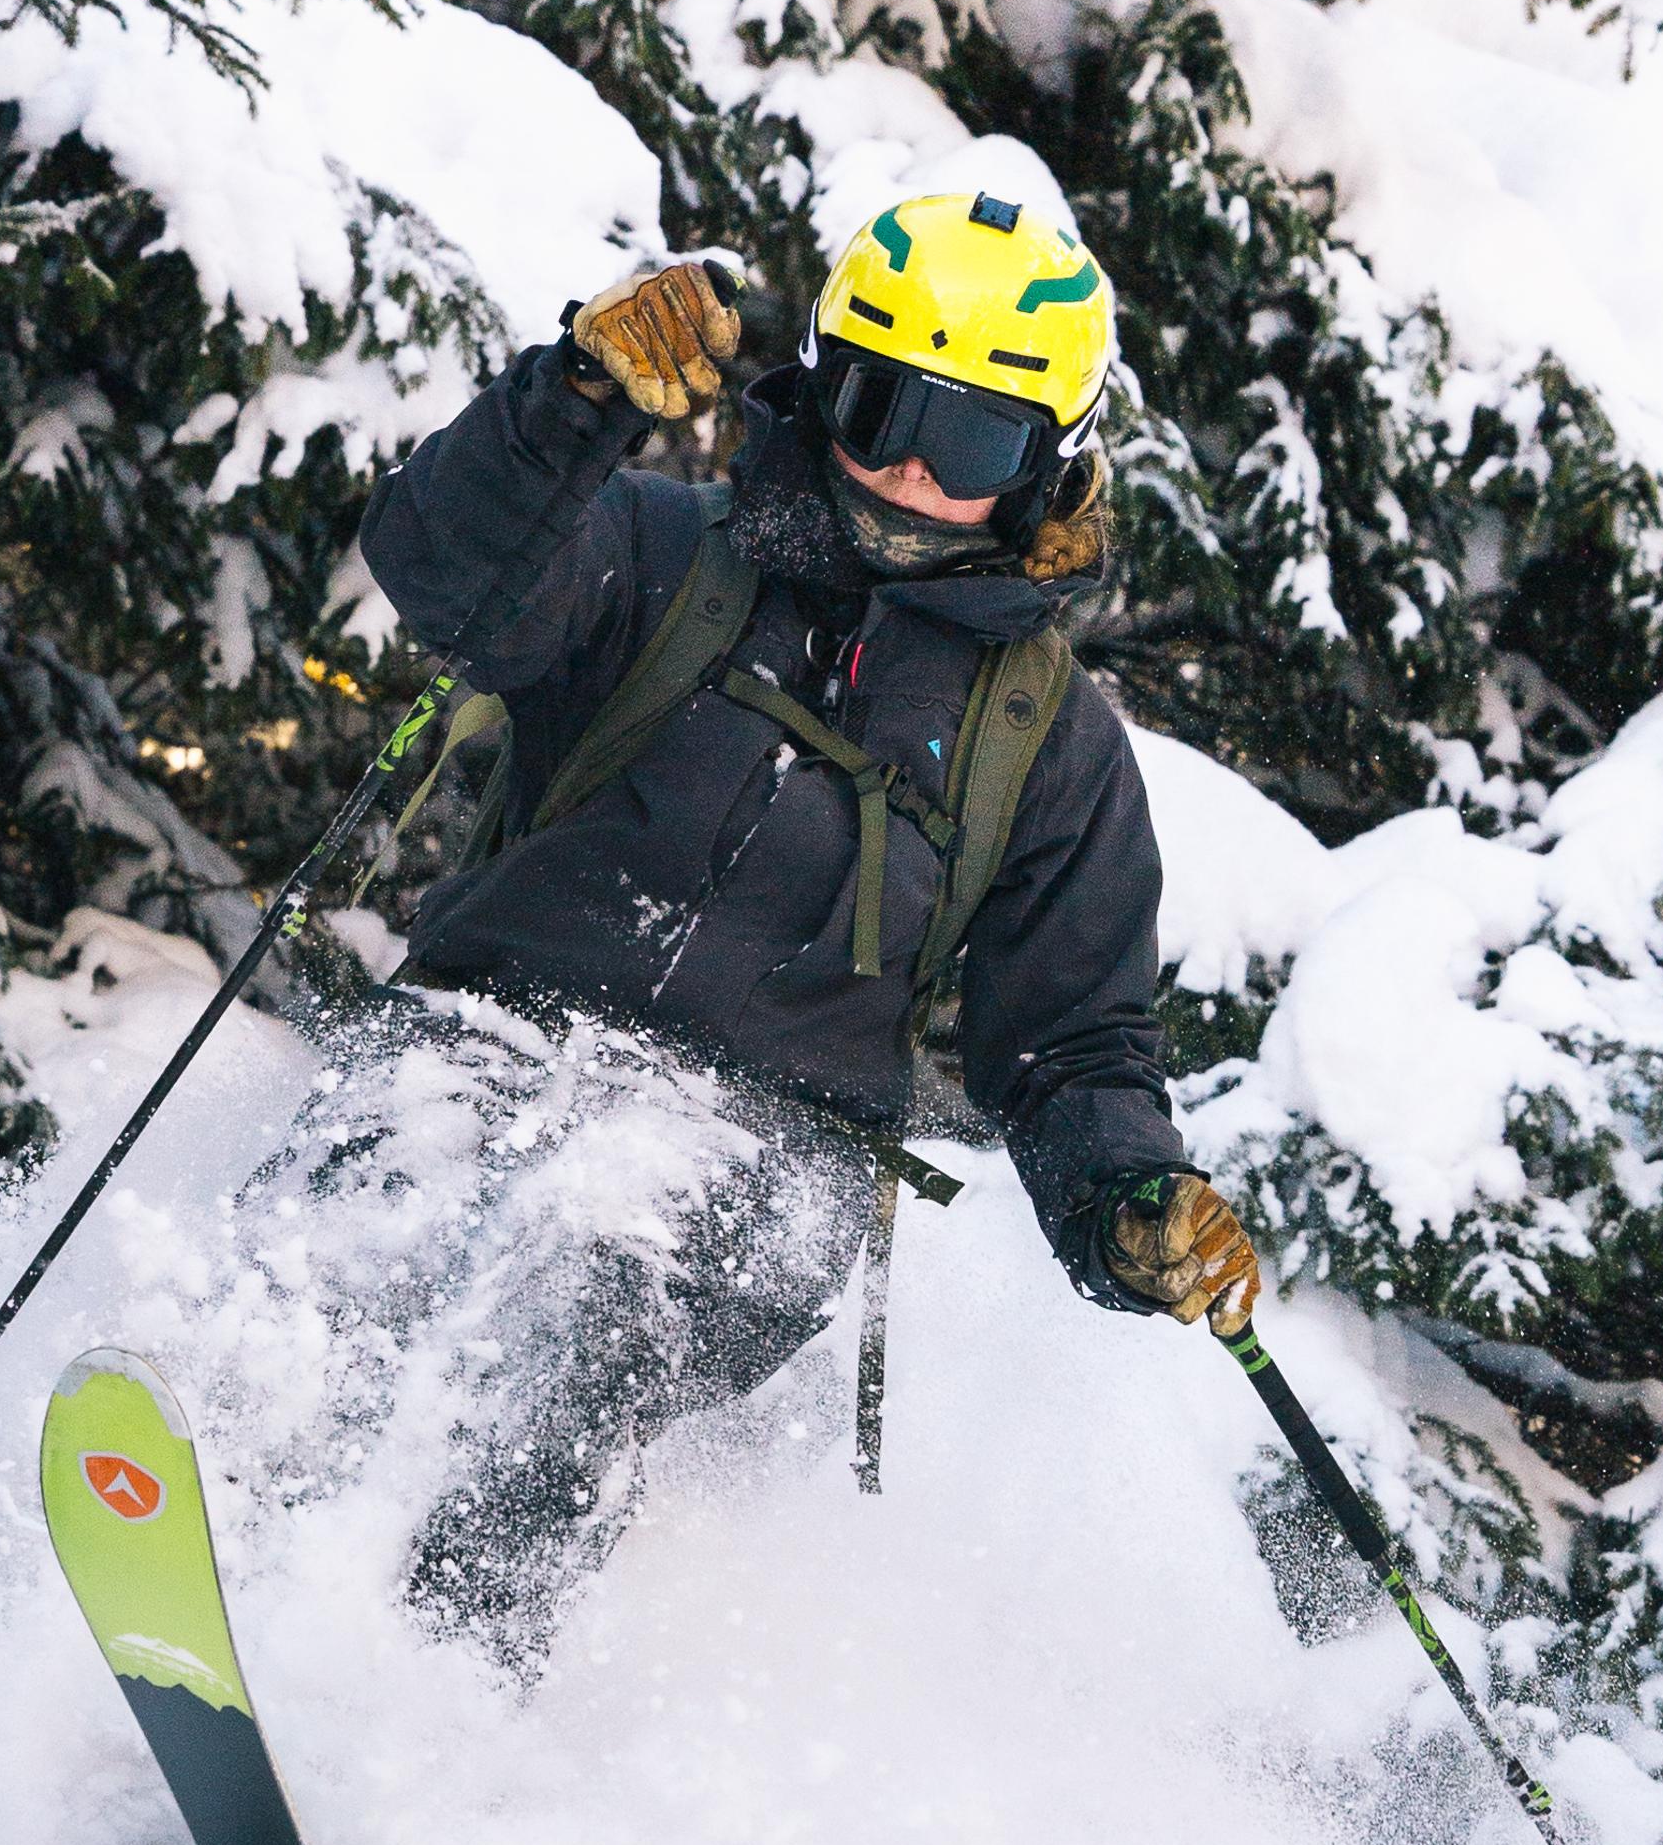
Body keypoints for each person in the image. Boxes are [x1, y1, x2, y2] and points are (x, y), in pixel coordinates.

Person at [350, 191, 1264, 1555]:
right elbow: (448, 573)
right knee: (368, 1213)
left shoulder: (1049, 740)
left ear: (1043, 469)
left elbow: (1072, 1040)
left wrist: (1130, 1200)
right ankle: (195, 1539)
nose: (908, 474)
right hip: (497, 1031)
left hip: (768, 1147)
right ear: (824, 385)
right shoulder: (660, 549)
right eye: (881, 409)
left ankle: (440, 1681)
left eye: (969, 439)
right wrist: (577, 400)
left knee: (587, 1296)